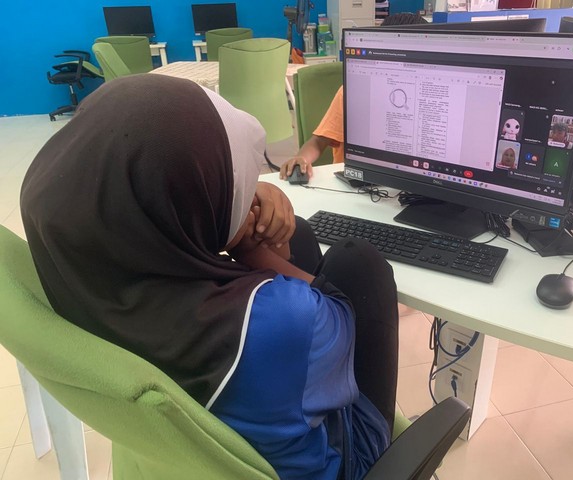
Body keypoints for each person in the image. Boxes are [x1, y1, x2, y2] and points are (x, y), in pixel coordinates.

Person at [20, 74, 400, 480]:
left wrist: (235, 212)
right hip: (332, 464)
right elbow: (341, 322)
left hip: (189, 450)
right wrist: (249, 248)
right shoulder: (280, 322)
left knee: (299, 233)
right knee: (357, 262)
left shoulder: (76, 267)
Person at [280, 13, 428, 180]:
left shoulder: (427, 100)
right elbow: (318, 141)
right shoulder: (350, 93)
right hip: (358, 182)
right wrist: (302, 158)